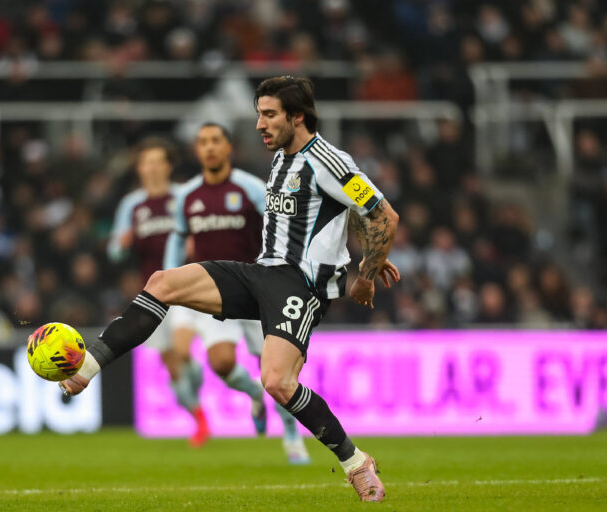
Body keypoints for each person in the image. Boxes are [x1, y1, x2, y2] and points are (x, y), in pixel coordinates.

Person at [64, 76, 400, 502]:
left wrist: (367, 272)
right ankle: (86, 370)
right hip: (261, 274)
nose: (259, 123)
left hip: (300, 286)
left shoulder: (329, 161)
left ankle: (355, 462)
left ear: (297, 116)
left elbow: (382, 213)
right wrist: (367, 244)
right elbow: (341, 212)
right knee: (162, 283)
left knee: (277, 382)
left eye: (269, 114)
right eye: (259, 113)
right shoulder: (281, 158)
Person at [164, 122, 310, 463]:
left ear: (228, 147)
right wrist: (170, 279)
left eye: (216, 140)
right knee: (222, 363)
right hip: (216, 296)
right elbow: (176, 238)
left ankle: (291, 436)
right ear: (197, 151)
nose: (210, 147)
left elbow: (282, 229)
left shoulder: (252, 188)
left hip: (259, 291)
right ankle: (255, 395)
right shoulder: (187, 196)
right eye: (203, 142)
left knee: (277, 370)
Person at [107, 137, 209, 446]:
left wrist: (197, 241)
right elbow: (114, 252)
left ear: (167, 166)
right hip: (150, 294)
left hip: (184, 287)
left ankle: (199, 406)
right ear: (139, 168)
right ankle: (199, 417)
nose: (151, 168)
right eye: (146, 162)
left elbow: (206, 230)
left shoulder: (183, 196)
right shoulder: (131, 205)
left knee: (180, 350)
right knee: (172, 365)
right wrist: (120, 245)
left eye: (157, 161)